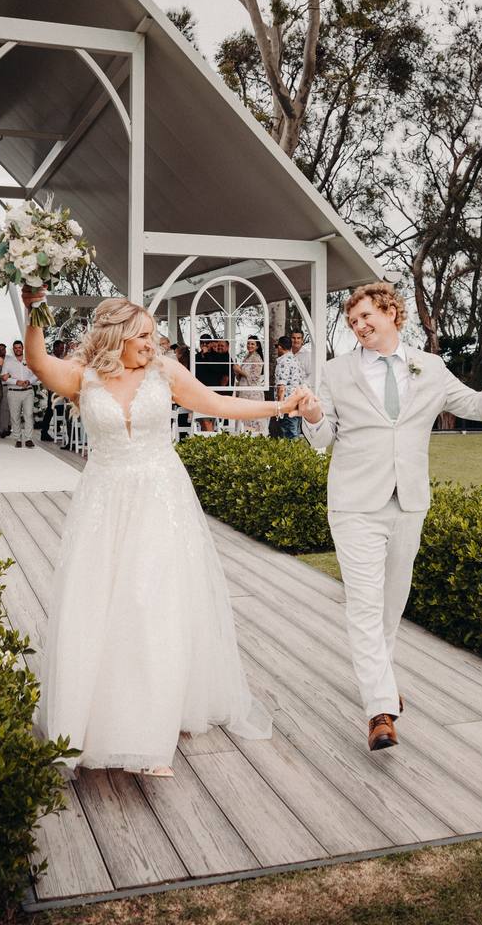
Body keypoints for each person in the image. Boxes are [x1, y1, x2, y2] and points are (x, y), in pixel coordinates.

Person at [21, 288, 310, 775]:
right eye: (142, 338)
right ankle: (98, 715)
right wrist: (35, 308)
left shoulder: (164, 372)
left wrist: (281, 409)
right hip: (104, 503)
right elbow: (36, 359)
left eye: (154, 336)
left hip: (161, 498)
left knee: (151, 602)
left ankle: (149, 732)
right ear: (115, 338)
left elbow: (218, 404)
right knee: (103, 602)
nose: (152, 345)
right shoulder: (83, 378)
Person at [301, 282, 482, 753]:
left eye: (366, 316)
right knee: (363, 604)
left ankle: (380, 681)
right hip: (355, 504)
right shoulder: (335, 372)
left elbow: (480, 408)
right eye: (353, 321)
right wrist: (314, 416)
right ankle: (380, 709)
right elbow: (322, 440)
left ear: (391, 313)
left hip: (408, 503)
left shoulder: (431, 367)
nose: (359, 326)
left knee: (390, 605)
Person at [2, 339, 40, 448]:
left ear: (23, 348)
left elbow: (36, 374)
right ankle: (17, 438)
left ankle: (28, 439)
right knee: (15, 416)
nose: (17, 349)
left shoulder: (29, 360)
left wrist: (29, 381)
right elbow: (3, 377)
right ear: (13, 349)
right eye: (15, 348)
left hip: (28, 391)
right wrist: (16, 382)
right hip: (13, 392)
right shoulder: (8, 361)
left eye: (19, 347)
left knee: (28, 415)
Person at [271, 334, 305, 440]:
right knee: (295, 433)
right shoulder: (296, 361)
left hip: (287, 404)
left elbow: (281, 386)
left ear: (280, 347)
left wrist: (280, 408)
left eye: (277, 347)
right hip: (297, 403)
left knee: (288, 435)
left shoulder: (283, 362)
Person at [233, 336, 268, 436]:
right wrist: (237, 373)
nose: (249, 345)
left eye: (252, 344)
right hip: (244, 392)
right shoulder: (246, 356)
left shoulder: (257, 358)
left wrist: (240, 371)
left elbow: (254, 378)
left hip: (253, 394)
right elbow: (241, 378)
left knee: (254, 419)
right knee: (244, 419)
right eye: (248, 343)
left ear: (257, 346)